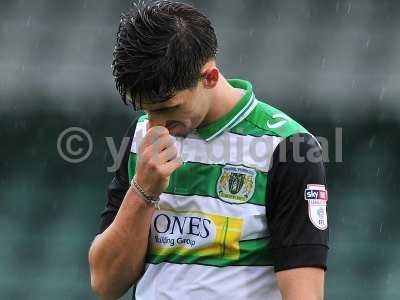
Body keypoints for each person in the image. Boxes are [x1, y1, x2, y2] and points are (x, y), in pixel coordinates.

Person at [88, 1, 329, 299]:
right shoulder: (140, 137)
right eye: (146, 111)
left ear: (210, 77)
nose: (156, 126)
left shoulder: (289, 147)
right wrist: (142, 192)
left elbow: (304, 294)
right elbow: (105, 283)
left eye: (168, 108)